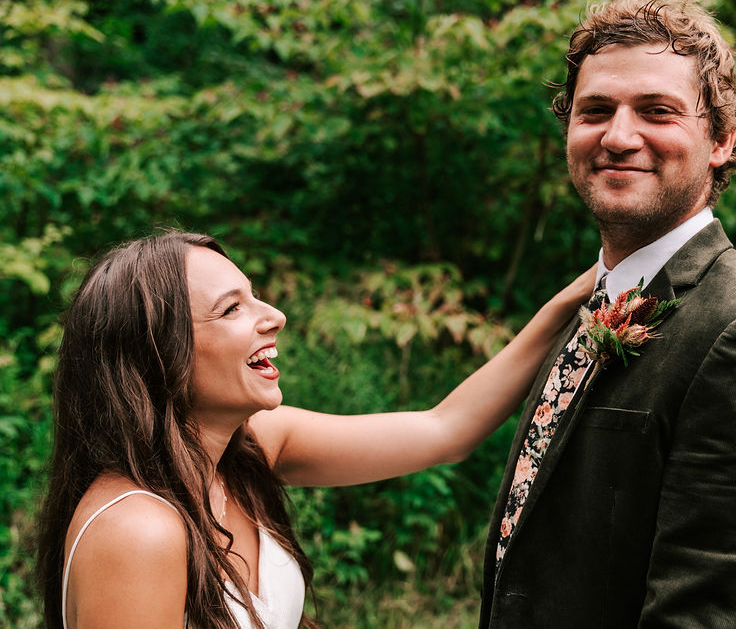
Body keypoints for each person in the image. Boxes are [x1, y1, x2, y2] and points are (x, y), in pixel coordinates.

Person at [480, 0, 736, 627]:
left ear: (722, 140)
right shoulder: (592, 301)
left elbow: (716, 614)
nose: (618, 136)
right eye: (595, 110)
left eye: (657, 111)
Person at [35, 230, 596, 629]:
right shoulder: (137, 531)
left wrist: (574, 301)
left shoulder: (252, 445)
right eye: (232, 309)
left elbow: (443, 430)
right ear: (157, 353)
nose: (273, 314)